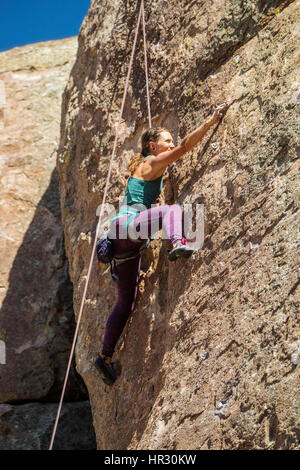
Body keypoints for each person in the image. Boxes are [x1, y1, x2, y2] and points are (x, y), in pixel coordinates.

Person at [95, 101, 230, 385]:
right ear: (153, 147)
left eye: (171, 140)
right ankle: (177, 242)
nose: (172, 144)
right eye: (167, 141)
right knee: (171, 211)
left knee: (125, 303)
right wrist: (208, 123)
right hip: (128, 228)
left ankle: (104, 357)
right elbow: (184, 150)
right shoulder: (150, 163)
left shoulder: (147, 169)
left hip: (125, 245)